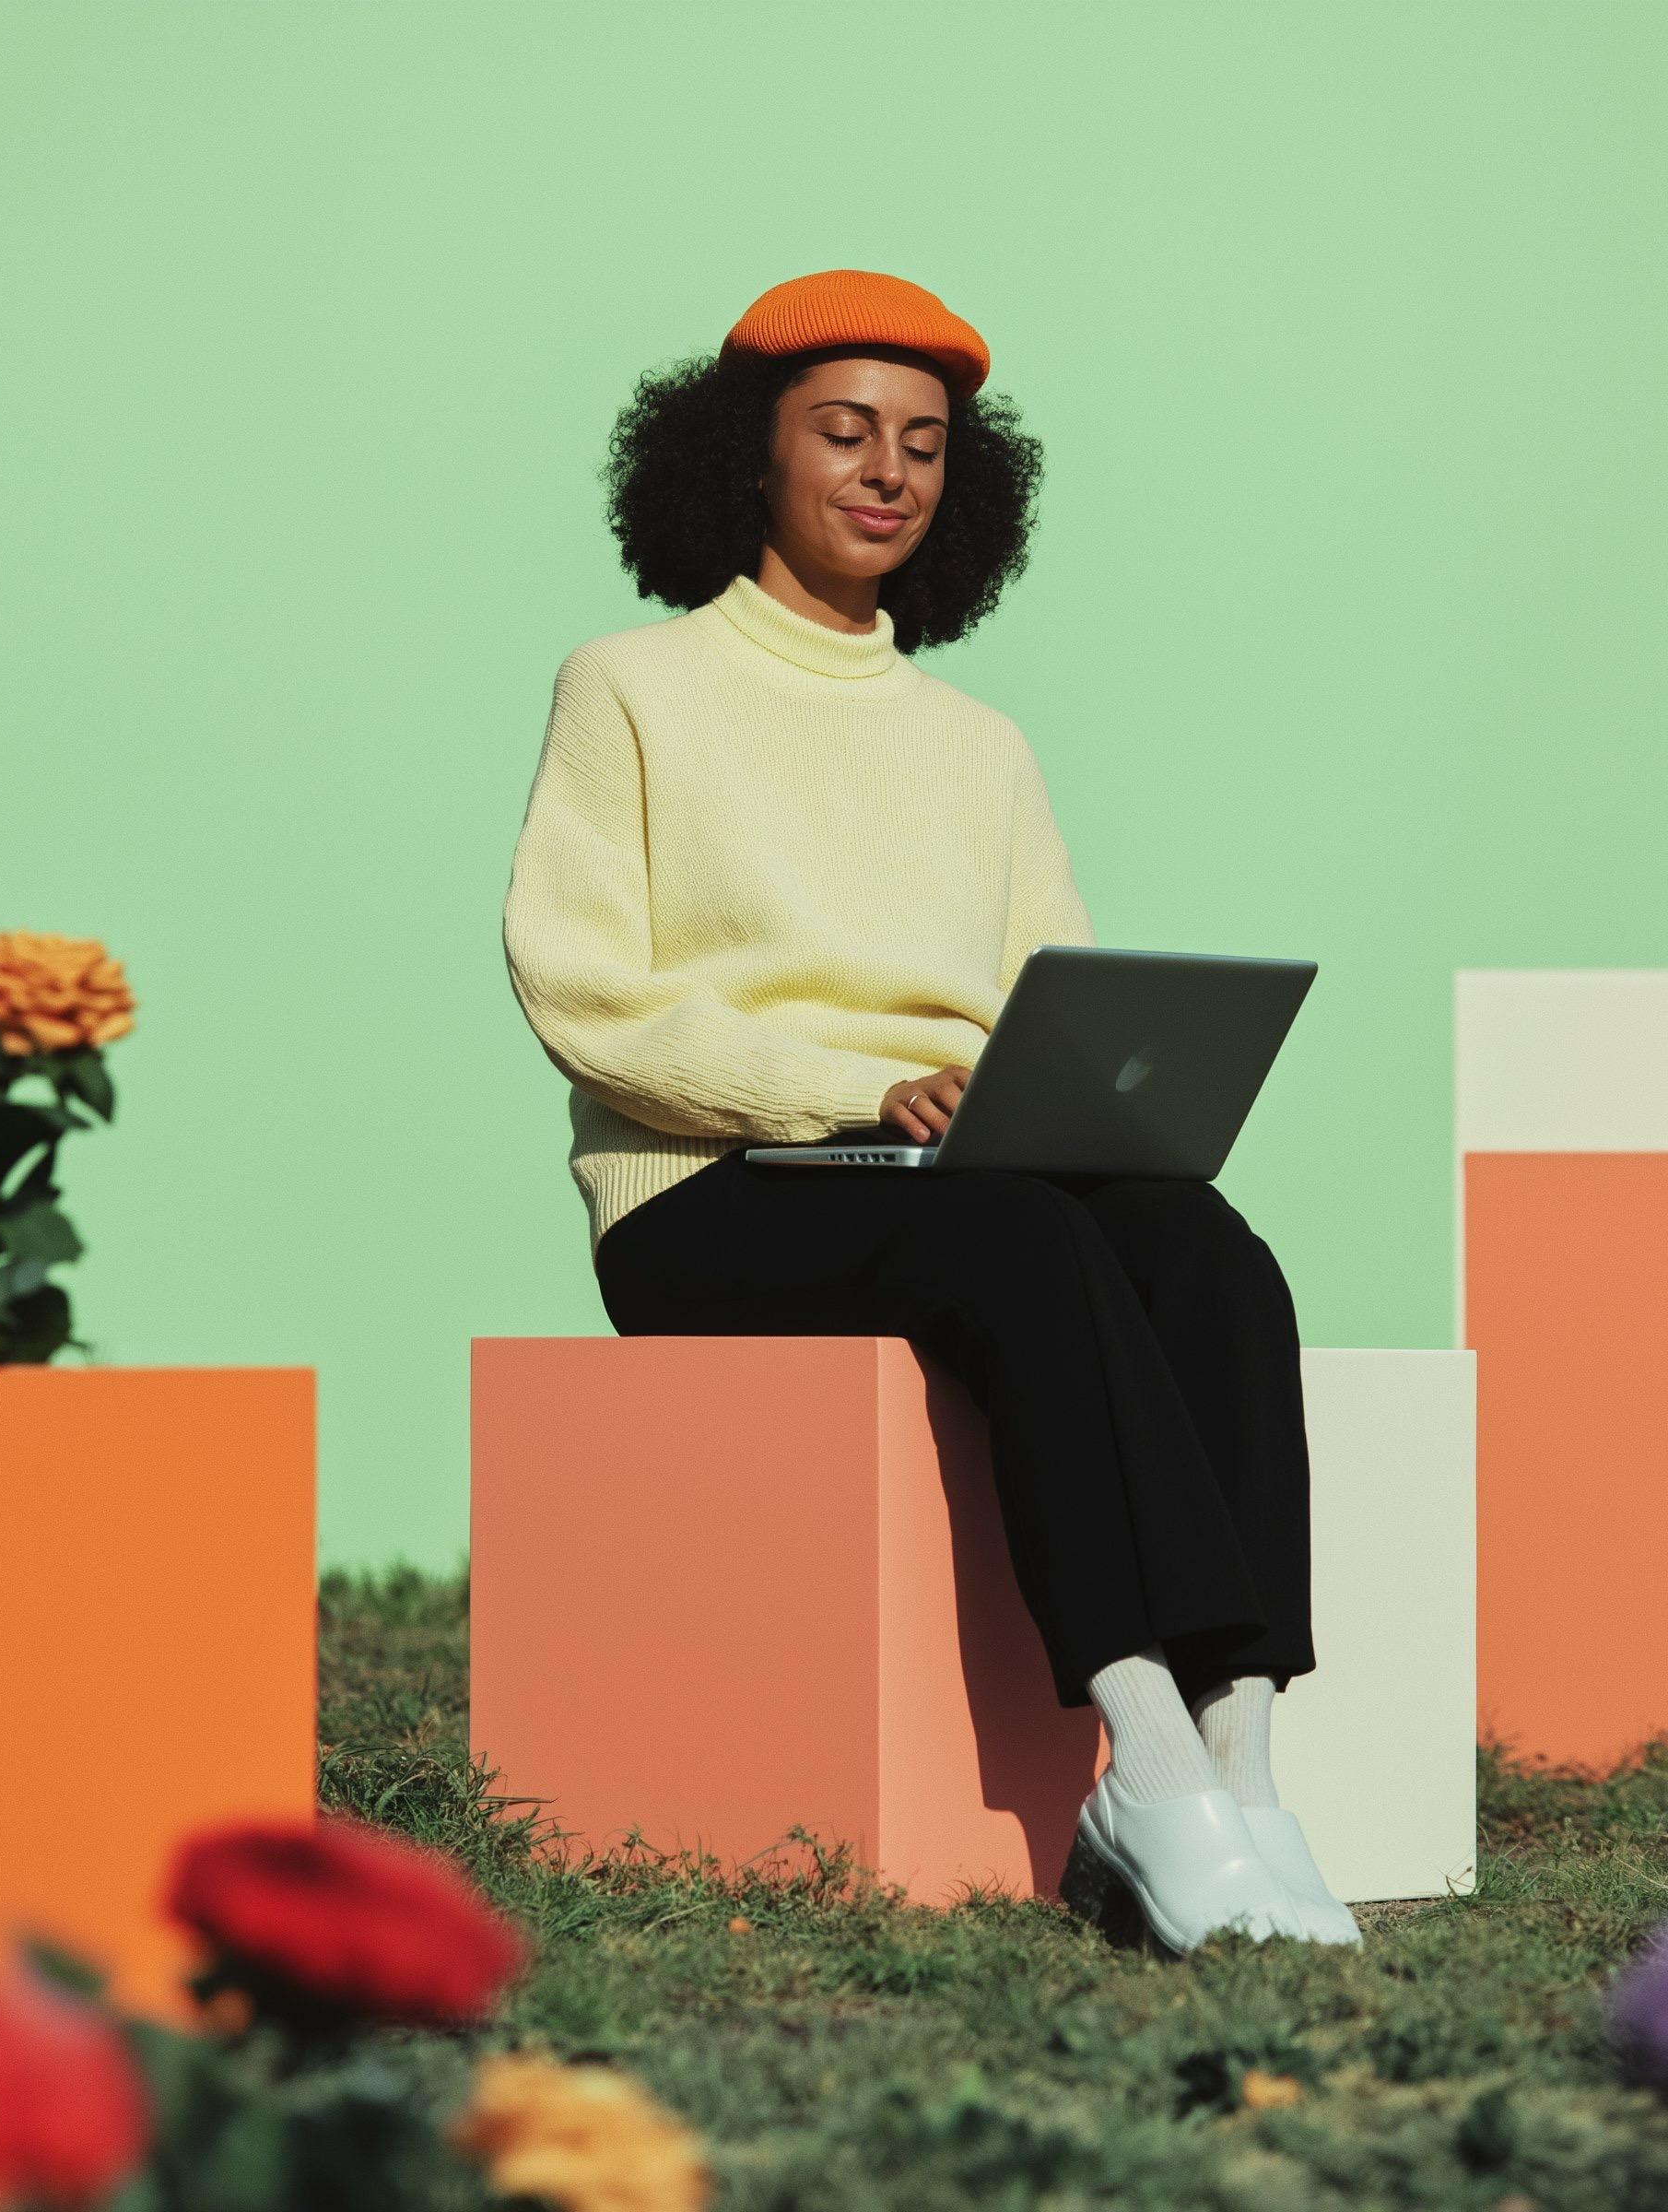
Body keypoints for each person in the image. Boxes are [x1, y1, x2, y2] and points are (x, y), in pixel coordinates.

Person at [500, 268, 1360, 1954]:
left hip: (951, 1171)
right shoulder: (629, 686)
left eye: (922, 445)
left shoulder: (982, 743)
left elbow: (1061, 997)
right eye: (843, 433)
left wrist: (1064, 1095)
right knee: (1024, 1241)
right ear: (745, 460)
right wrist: (846, 1087)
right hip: (715, 1193)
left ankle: (1250, 1760)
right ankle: (1148, 1759)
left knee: (1210, 1252)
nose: (887, 472)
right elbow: (585, 997)